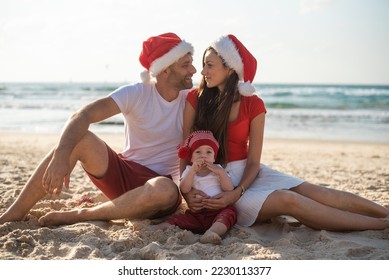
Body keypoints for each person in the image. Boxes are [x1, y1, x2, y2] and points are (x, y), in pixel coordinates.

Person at [182, 34, 389, 231]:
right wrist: (187, 193)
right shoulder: (195, 99)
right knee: (289, 200)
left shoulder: (253, 104)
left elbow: (253, 162)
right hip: (214, 183)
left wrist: (238, 192)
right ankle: (380, 225)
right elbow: (183, 150)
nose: (203, 72)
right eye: (204, 65)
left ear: (230, 69)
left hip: (247, 174)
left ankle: (384, 213)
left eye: (209, 65)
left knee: (318, 192)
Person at [0, 32, 197, 226]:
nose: (193, 70)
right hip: (123, 173)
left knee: (166, 190)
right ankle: (14, 213)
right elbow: (82, 116)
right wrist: (61, 155)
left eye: (191, 62)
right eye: (185, 65)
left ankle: (81, 214)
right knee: (81, 139)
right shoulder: (137, 93)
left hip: (160, 187)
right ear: (164, 70)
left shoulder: (192, 100)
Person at [142, 130, 237, 244]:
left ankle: (212, 232)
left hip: (218, 211)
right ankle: (158, 227)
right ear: (191, 158)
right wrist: (192, 171)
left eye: (208, 152)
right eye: (198, 152)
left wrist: (221, 173)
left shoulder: (218, 169)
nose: (203, 155)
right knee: (177, 219)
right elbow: (184, 189)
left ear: (214, 157)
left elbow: (229, 189)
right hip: (197, 213)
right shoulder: (189, 171)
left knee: (229, 214)